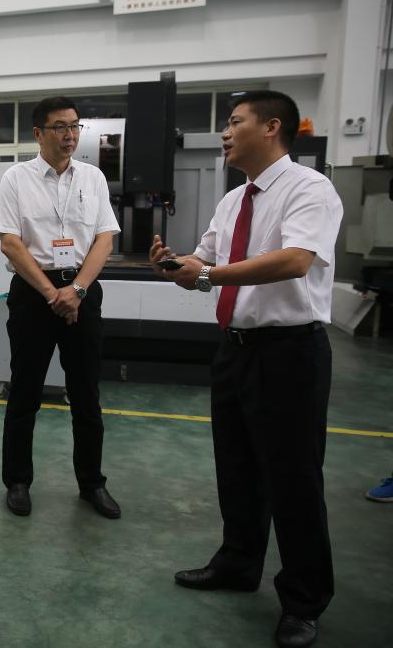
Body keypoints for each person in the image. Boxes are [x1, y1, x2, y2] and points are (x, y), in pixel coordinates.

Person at [150, 90, 342, 648]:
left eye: (235, 122)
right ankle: (238, 563)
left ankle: (304, 600)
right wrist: (176, 264)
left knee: (293, 480)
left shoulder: (310, 189)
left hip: (290, 352)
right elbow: (206, 259)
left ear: (272, 126)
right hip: (235, 349)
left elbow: (295, 260)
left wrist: (208, 275)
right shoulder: (234, 199)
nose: (226, 133)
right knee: (236, 467)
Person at [0, 96, 121, 519]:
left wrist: (77, 290)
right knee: (24, 390)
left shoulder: (93, 178)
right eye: (60, 127)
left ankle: (92, 483)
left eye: (75, 126)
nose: (70, 135)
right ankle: (17, 481)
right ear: (39, 133)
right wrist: (53, 294)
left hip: (82, 291)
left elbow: (105, 238)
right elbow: (10, 243)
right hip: (34, 294)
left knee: (86, 393)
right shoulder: (16, 179)